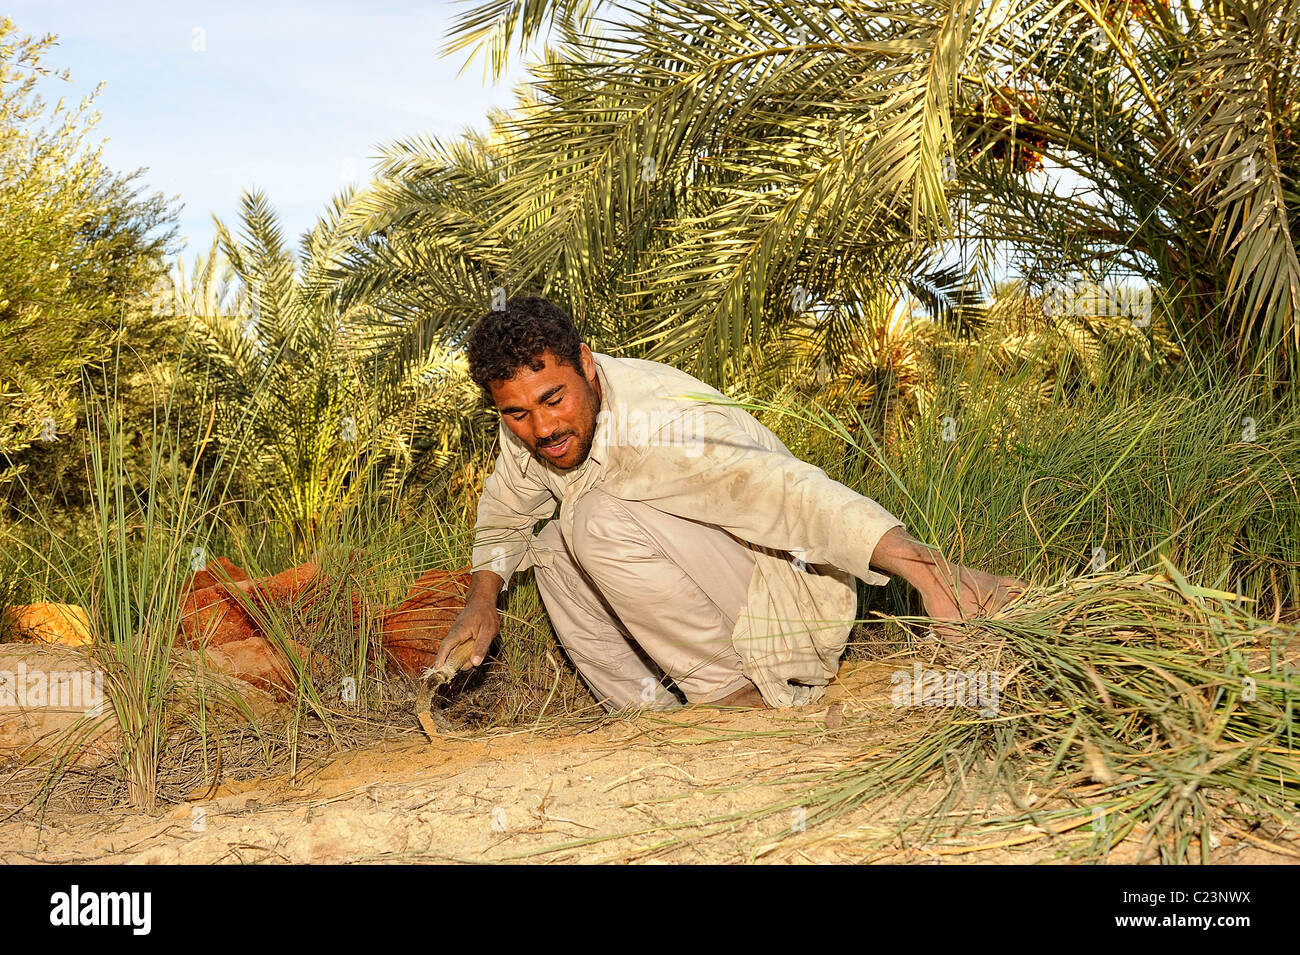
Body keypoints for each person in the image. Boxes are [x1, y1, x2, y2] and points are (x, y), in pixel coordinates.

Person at [433, 296, 1025, 710]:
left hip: (787, 604)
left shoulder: (667, 423)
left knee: (591, 519)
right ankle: (649, 721)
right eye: (517, 413)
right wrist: (482, 601)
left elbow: (790, 496)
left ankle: (735, 698)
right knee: (550, 548)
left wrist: (929, 571)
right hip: (718, 592)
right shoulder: (531, 429)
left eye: (553, 399)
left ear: (587, 365)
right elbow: (504, 517)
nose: (540, 427)